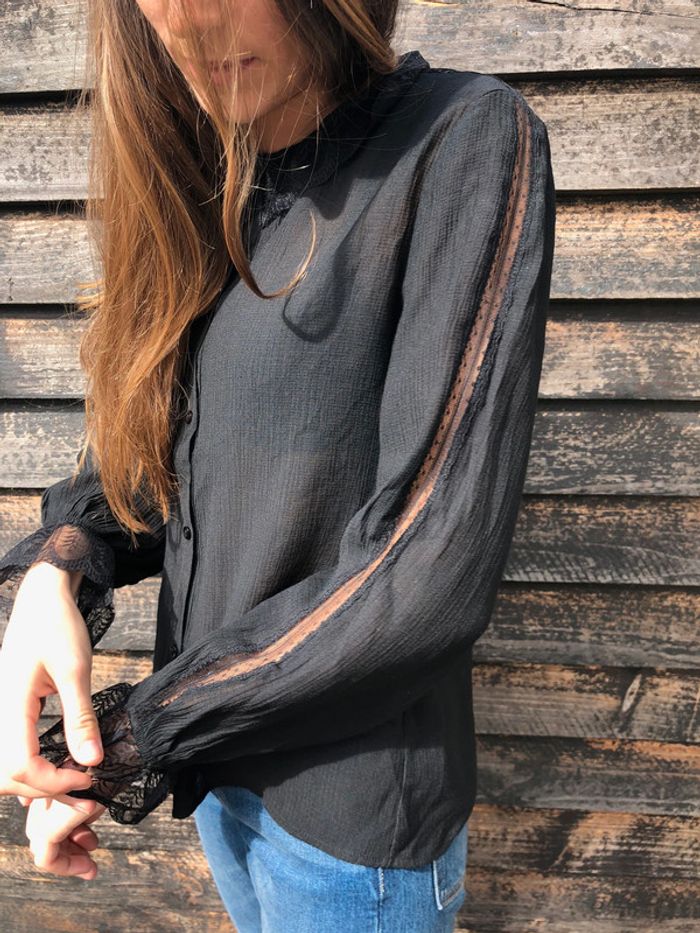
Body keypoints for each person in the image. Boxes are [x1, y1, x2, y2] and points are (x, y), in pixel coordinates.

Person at [0, 0, 556, 930]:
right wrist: (61, 563)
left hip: (347, 829)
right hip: (224, 780)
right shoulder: (223, 173)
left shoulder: (461, 137)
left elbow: (427, 569)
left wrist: (121, 742)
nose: (184, 22)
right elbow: (177, 444)